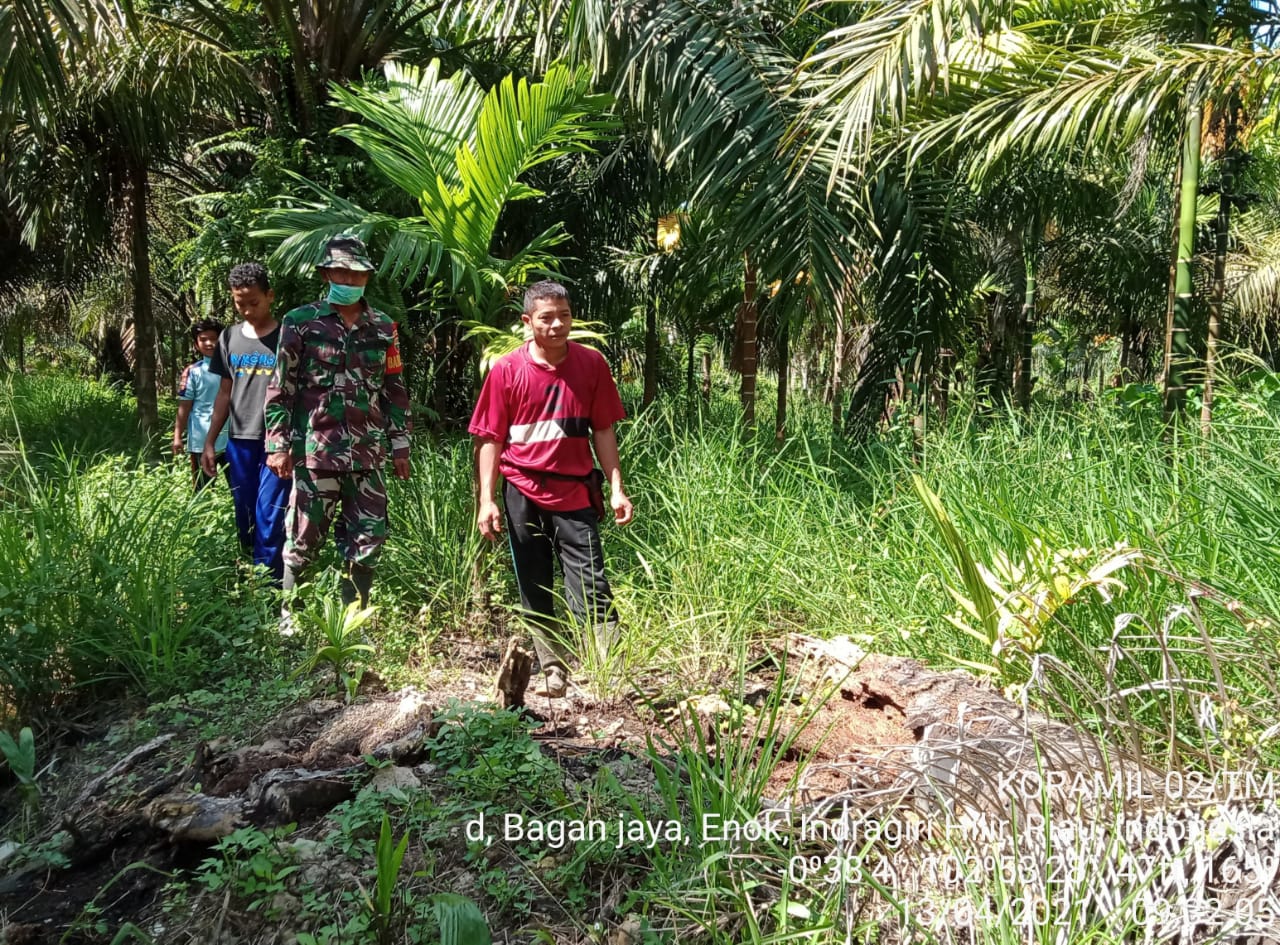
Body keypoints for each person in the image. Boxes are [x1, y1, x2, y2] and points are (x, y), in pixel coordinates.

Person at [470, 279, 633, 698]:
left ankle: (610, 671)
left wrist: (616, 488)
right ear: (528, 322)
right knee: (534, 581)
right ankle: (552, 669)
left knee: (591, 581)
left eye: (564, 316)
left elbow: (603, 430)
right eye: (546, 318)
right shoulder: (507, 370)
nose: (557, 325)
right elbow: (490, 439)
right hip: (521, 491)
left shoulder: (592, 365)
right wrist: (487, 499)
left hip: (575, 492)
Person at [263, 234, 411, 615]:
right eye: (341, 273)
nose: (349, 281)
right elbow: (281, 388)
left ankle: (351, 619)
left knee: (367, 539)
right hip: (316, 453)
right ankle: (291, 618)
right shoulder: (300, 323)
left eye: (357, 275)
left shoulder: (383, 327)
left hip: (367, 455)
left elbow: (394, 389)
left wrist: (400, 445)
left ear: (367, 277)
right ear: (326, 274)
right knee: (303, 538)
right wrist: (277, 445)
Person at [201, 263, 291, 582]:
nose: (248, 310)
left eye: (254, 302)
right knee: (245, 512)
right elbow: (224, 393)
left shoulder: (288, 337)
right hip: (240, 442)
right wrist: (210, 441)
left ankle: (270, 583)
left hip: (277, 442)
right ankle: (249, 575)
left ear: (270, 296)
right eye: (240, 304)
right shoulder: (228, 338)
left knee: (270, 513)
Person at [172, 318, 229, 490]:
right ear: (196, 345)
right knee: (202, 491)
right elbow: (184, 407)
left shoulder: (233, 368)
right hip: (201, 441)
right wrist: (177, 437)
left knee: (240, 490)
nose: (209, 343)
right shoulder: (193, 372)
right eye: (203, 339)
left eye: (214, 338)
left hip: (231, 440)